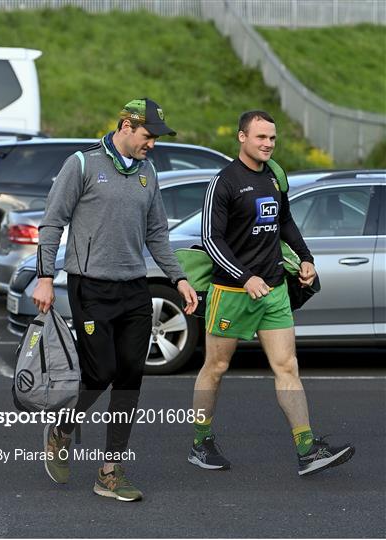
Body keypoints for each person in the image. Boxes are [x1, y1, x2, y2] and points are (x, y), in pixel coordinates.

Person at [33, 98, 198, 501]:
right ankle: (62, 427)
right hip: (90, 286)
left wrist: (178, 278)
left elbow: (157, 232)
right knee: (101, 370)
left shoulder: (149, 173)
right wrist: (43, 277)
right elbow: (52, 221)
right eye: (148, 136)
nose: (152, 144)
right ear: (126, 126)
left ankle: (110, 471)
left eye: (155, 138)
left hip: (134, 288)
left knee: (130, 376)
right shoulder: (83, 164)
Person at [188, 110, 355, 476]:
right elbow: (210, 240)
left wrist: (307, 259)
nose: (267, 144)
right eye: (261, 137)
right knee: (216, 367)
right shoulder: (224, 182)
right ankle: (201, 443)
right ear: (242, 137)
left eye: (272, 138)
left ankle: (306, 448)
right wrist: (244, 277)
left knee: (287, 367)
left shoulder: (275, 176)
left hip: (274, 290)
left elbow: (285, 222)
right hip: (232, 291)